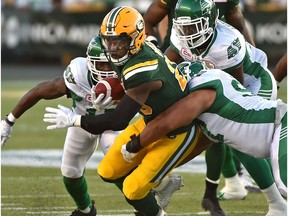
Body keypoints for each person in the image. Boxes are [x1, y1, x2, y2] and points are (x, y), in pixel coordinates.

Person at [42, 6, 212, 216]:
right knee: (107, 170)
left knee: (133, 189)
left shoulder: (140, 69)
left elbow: (118, 121)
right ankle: (155, 194)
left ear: (135, 39)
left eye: (119, 42)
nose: (112, 48)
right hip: (151, 120)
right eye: (109, 41)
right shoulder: (138, 50)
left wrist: (76, 120)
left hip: (176, 130)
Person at [0, 35, 181, 216]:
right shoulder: (79, 74)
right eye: (99, 64)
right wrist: (9, 120)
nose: (104, 70)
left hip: (114, 124)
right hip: (81, 121)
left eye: (108, 64)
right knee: (70, 172)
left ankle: (148, 206)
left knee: (117, 162)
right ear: (89, 63)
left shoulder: (130, 73)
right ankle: (86, 210)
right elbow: (40, 91)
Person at [127, 60, 287, 215]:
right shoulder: (211, 113)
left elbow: (165, 123)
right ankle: (278, 207)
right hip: (274, 129)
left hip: (281, 121)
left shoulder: (203, 93)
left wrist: (135, 146)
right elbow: (199, 147)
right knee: (244, 151)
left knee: (284, 183)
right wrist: (160, 171)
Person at [165, 0, 278, 214]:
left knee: (238, 136)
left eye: (193, 26)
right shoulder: (178, 37)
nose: (187, 32)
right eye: (183, 26)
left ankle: (277, 202)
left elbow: (235, 88)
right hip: (223, 84)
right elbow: (167, 66)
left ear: (208, 22)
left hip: (253, 83)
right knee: (214, 128)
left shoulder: (226, 42)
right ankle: (223, 189)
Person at [144, 0, 258, 207]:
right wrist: (156, 50)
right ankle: (230, 183)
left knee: (221, 125)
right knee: (169, 120)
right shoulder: (180, 37)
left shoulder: (227, 43)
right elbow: (150, 20)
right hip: (183, 54)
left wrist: (255, 56)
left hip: (219, 58)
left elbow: (237, 23)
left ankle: (267, 192)